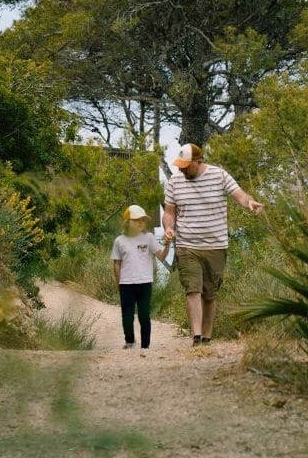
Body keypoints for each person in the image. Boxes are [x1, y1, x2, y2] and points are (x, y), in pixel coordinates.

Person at [162, 142, 263, 347]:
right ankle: (196, 337)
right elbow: (170, 212)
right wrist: (168, 228)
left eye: (186, 165)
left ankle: (207, 337)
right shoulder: (174, 181)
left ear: (199, 162)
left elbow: (240, 195)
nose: (181, 169)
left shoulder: (219, 175)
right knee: (193, 290)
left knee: (209, 293)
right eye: (179, 165)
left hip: (216, 245)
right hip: (187, 245)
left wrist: (249, 202)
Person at [111, 204, 171, 356]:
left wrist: (168, 244)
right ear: (127, 222)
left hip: (145, 283)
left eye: (143, 220)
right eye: (136, 220)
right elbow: (116, 263)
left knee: (144, 315)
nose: (140, 223)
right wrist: (119, 282)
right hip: (126, 284)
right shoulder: (119, 241)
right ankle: (129, 342)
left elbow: (162, 257)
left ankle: (145, 346)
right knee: (127, 315)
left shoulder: (149, 238)